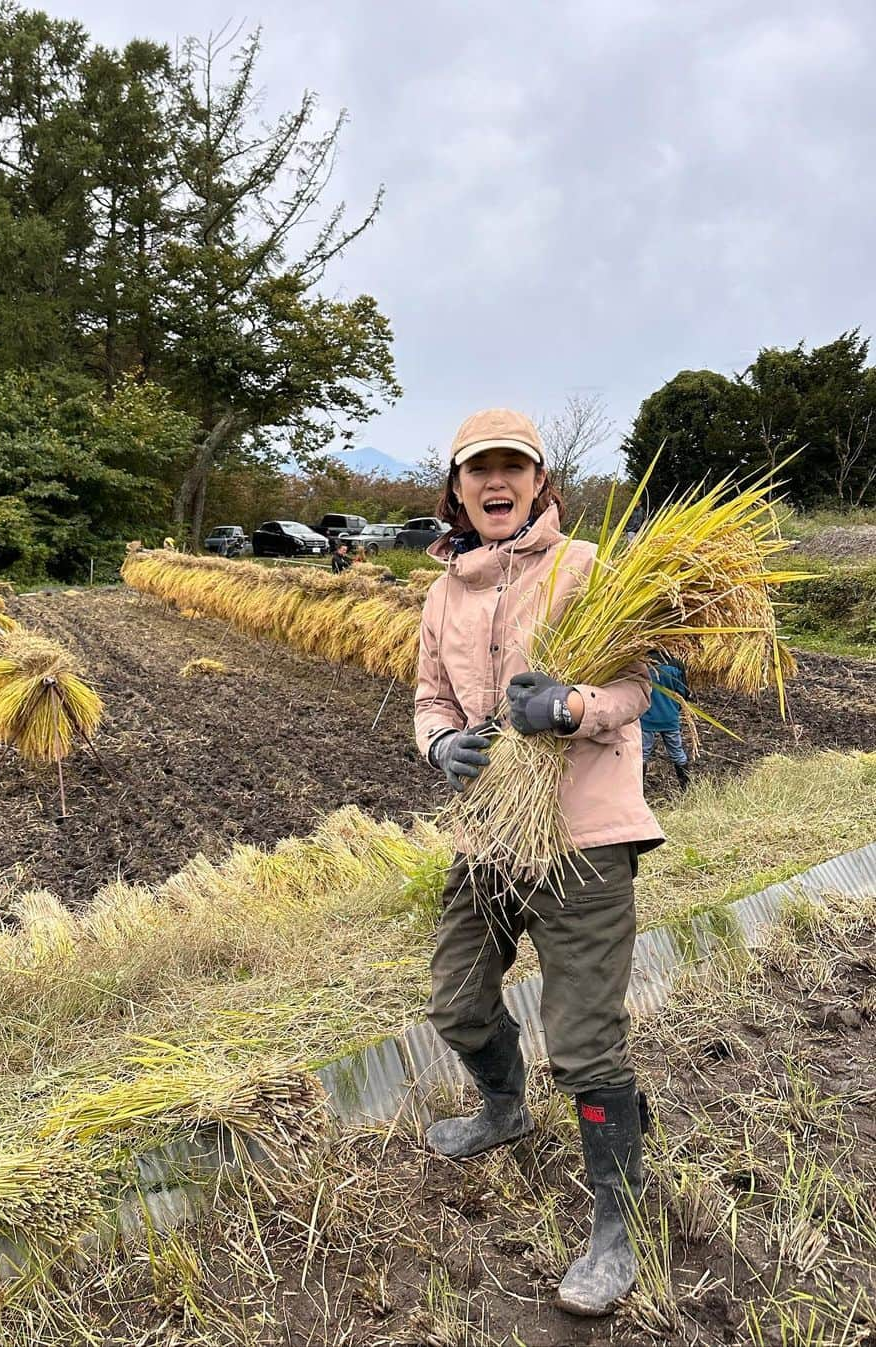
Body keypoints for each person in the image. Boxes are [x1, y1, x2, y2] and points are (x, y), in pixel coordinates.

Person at [415, 408, 664, 1318]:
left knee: (584, 1040)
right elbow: (429, 697)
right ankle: (503, 1108)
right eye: (477, 468)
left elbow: (644, 684)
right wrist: (443, 748)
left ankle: (616, 1223)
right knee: (457, 1001)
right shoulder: (444, 590)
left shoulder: (586, 567)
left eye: (512, 466)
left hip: (584, 835)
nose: (495, 481)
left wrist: (568, 706)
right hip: (489, 834)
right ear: (457, 489)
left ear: (538, 480)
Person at [641, 653, 690, 790]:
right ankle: (686, 790)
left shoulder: (641, 663)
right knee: (677, 753)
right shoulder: (675, 664)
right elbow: (683, 692)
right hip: (670, 718)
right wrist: (674, 708)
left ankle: (638, 793)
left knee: (642, 755)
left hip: (646, 718)